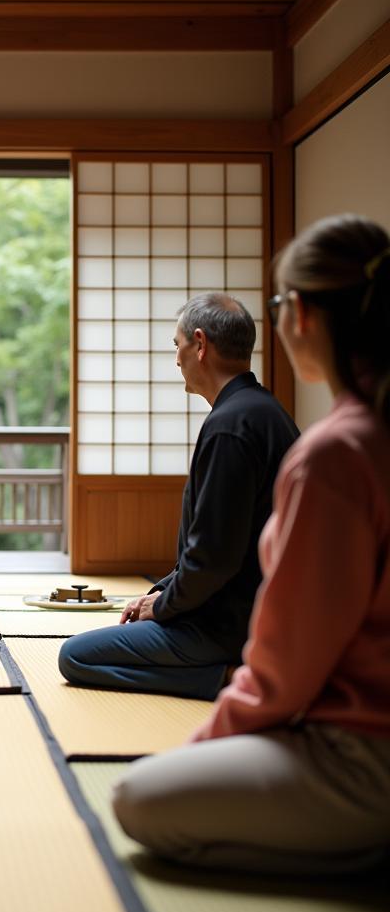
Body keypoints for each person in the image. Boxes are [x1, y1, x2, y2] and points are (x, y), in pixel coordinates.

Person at [111, 213, 390, 874]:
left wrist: (207, 742)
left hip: (357, 747)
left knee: (135, 800)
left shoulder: (336, 451)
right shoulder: (294, 421)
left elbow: (285, 663)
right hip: (327, 696)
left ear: (302, 314)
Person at [59, 293, 298, 700]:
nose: (176, 359)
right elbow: (214, 549)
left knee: (75, 657)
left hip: (223, 624)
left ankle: (228, 679)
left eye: (177, 345)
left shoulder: (229, 426)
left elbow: (214, 558)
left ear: (200, 345)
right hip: (257, 610)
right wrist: (159, 591)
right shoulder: (263, 411)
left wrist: (164, 605)